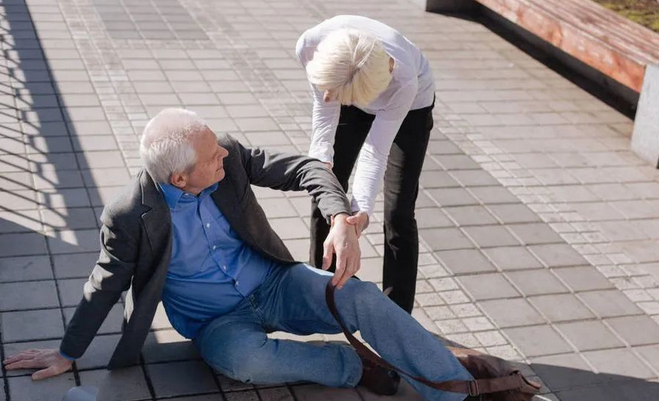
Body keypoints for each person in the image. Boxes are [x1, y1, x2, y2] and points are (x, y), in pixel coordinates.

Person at [2, 109, 473, 401]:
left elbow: (306, 168)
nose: (225, 158)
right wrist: (67, 352)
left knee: (362, 297)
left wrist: (340, 220)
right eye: (213, 159)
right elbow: (104, 283)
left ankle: (456, 389)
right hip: (216, 321)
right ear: (180, 178)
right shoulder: (128, 215)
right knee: (244, 361)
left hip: (276, 283)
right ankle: (355, 366)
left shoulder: (226, 153)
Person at [296, 15, 436, 313]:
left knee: (398, 212)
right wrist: (322, 169)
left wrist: (360, 213)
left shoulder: (405, 80)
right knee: (327, 189)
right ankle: (323, 290)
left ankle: (396, 314)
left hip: (409, 108)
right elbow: (324, 116)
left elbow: (375, 152)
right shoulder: (311, 46)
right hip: (349, 83)